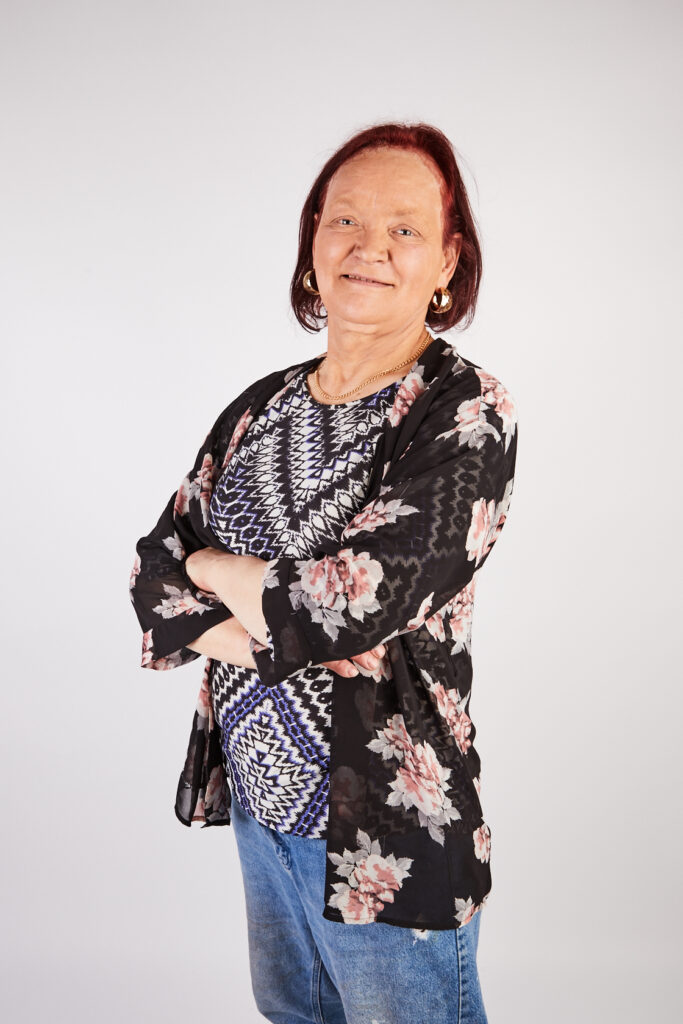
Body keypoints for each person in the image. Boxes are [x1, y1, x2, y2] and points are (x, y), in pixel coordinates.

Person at [129, 121, 519, 1024]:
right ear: (312, 247)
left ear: (448, 263)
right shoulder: (259, 407)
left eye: (403, 229)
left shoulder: (463, 412)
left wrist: (210, 567)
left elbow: (349, 604)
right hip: (266, 812)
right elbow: (153, 570)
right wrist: (240, 601)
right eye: (343, 220)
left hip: (386, 835)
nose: (367, 247)